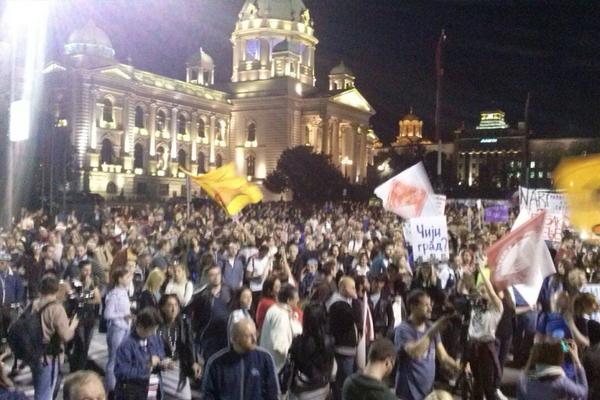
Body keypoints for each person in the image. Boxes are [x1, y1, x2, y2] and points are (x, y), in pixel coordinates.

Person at [394, 290, 460, 400]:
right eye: (426, 305)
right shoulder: (403, 330)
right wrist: (436, 327)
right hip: (408, 394)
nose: (430, 308)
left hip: (427, 392)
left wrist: (457, 366)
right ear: (413, 307)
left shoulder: (430, 326)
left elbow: (443, 357)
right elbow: (415, 352)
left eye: (431, 305)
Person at [201, 319, 279, 400]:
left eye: (255, 334)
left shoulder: (265, 359)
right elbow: (208, 394)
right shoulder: (216, 363)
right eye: (249, 336)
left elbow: (273, 393)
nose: (254, 339)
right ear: (235, 339)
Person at [31, 274, 79, 400]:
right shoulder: (57, 309)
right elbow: (66, 336)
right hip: (49, 357)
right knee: (45, 394)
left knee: (39, 389)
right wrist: (72, 326)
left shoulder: (34, 304)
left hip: (34, 353)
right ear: (57, 290)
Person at [114, 307, 171, 400]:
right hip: (133, 393)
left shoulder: (154, 339)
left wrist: (163, 363)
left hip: (153, 386)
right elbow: (121, 372)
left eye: (155, 329)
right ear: (140, 326)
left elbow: (160, 356)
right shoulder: (126, 345)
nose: (154, 333)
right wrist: (147, 366)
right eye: (151, 329)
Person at [466, 263, 504, 400]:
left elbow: (492, 293)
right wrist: (469, 272)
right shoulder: (476, 304)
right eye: (480, 290)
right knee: (476, 383)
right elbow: (466, 287)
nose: (481, 293)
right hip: (473, 345)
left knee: (488, 386)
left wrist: (482, 271)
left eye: (484, 291)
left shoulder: (497, 308)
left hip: (485, 348)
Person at [157, 295, 201, 400]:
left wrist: (193, 362)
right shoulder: (158, 326)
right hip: (163, 368)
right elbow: (154, 347)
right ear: (163, 308)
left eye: (176, 305)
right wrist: (162, 360)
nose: (173, 309)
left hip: (178, 367)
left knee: (185, 397)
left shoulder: (184, 323)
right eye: (170, 305)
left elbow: (189, 344)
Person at [288, 303, 336, 400]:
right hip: (322, 387)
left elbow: (293, 363)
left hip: (301, 388)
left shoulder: (298, 341)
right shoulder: (329, 341)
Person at [188, 263, 232, 362]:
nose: (216, 277)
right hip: (208, 337)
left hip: (226, 335)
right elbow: (192, 317)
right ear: (207, 277)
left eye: (218, 274)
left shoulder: (230, 292)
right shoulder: (200, 296)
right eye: (212, 275)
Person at [326, 276, 361, 400]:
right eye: (352, 288)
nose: (355, 290)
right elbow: (355, 318)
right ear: (342, 288)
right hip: (343, 351)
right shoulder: (338, 304)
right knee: (343, 384)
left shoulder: (344, 302)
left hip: (347, 350)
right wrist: (356, 300)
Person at [517, 341, 588, 400]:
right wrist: (576, 360)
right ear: (557, 359)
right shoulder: (560, 382)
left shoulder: (523, 377)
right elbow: (583, 393)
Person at [67, 260, 101, 372]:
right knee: (80, 344)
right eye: (85, 270)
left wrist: (86, 298)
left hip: (89, 317)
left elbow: (97, 299)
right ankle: (75, 368)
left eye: (89, 270)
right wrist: (86, 292)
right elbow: (75, 299)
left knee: (86, 345)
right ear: (80, 270)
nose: (88, 272)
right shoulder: (74, 282)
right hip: (78, 317)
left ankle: (82, 367)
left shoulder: (93, 282)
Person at [259, 284, 303, 370]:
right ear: (289, 300)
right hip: (276, 368)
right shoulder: (281, 316)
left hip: (268, 363)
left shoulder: (274, 309)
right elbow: (280, 347)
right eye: (296, 298)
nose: (298, 300)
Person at [104, 267, 132, 394]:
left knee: (122, 358)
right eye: (127, 277)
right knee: (113, 359)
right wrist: (123, 316)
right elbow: (107, 314)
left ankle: (119, 385)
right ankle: (111, 388)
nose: (129, 279)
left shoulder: (124, 292)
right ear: (120, 279)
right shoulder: (114, 294)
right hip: (117, 329)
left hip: (125, 328)